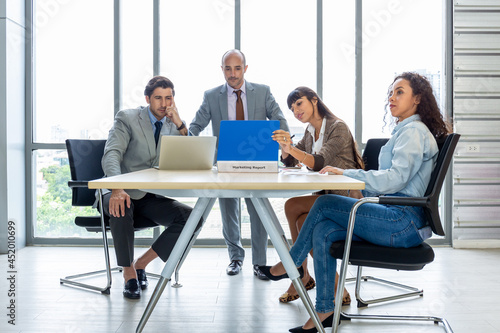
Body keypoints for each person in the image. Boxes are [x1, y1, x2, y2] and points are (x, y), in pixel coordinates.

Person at [259, 72, 451, 332]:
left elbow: (395, 179)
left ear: (418, 99)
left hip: (402, 221)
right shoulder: (405, 130)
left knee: (324, 205)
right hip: (393, 216)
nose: (391, 98)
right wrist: (288, 150)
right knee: (322, 229)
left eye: (400, 92)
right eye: (391, 93)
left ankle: (292, 262)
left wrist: (345, 172)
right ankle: (325, 309)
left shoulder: (414, 132)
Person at [189, 49, 289, 280]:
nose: (232, 74)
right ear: (222, 69)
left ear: (245, 68)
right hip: (224, 161)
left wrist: (275, 142)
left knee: (258, 211)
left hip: (258, 161)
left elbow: (280, 120)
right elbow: (196, 126)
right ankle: (235, 258)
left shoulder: (262, 92)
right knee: (229, 211)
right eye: (227, 68)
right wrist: (190, 147)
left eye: (237, 68)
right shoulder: (212, 95)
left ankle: (259, 263)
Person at [101, 76, 195, 299]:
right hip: (118, 193)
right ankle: (128, 274)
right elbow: (111, 154)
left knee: (192, 218)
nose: (164, 104)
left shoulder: (172, 124)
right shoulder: (128, 118)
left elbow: (190, 154)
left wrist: (180, 123)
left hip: (149, 196)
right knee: (121, 206)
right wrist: (117, 187)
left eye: (169, 98)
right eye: (158, 98)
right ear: (147, 99)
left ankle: (141, 263)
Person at [271, 86, 364, 304]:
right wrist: (286, 148)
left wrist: (291, 148)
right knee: (302, 220)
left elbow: (319, 161)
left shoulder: (337, 128)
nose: (296, 111)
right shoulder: (311, 132)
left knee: (293, 206)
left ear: (314, 100)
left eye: (299, 103)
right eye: (292, 109)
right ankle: (325, 283)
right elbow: (292, 161)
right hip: (325, 199)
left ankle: (300, 275)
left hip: (345, 199)